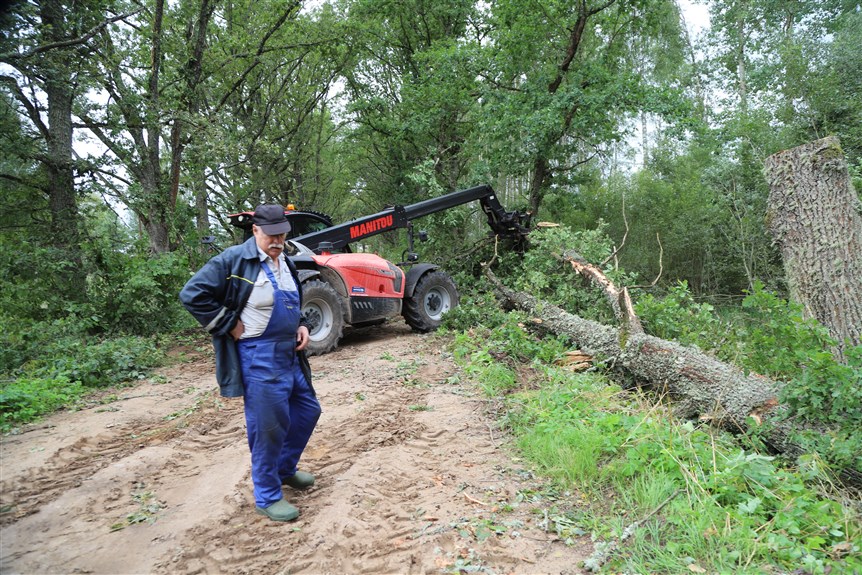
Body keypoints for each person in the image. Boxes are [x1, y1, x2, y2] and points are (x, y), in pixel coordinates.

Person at [179, 204, 321, 522]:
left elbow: (290, 299)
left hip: (290, 354)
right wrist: (227, 322)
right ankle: (267, 496)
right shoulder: (233, 260)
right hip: (258, 356)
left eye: (282, 234)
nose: (277, 240)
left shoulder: (285, 260)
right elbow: (192, 293)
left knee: (308, 411)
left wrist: (300, 324)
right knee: (268, 428)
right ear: (255, 230)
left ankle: (285, 469)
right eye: (271, 235)